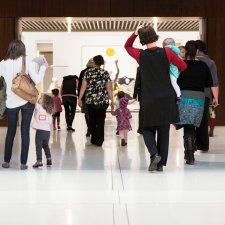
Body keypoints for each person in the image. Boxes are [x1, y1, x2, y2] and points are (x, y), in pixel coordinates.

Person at [125, 25, 187, 172]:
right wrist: (171, 71)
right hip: (166, 97)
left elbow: (127, 46)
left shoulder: (140, 55)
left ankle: (154, 155)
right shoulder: (167, 52)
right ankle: (160, 165)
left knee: (147, 128)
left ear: (142, 39)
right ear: (155, 35)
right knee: (164, 131)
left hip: (149, 98)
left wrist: (135, 33)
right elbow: (183, 66)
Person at [0, 40, 48, 170]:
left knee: (10, 131)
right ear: (22, 49)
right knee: (25, 131)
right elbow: (37, 80)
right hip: (27, 100)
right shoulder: (26, 60)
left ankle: (6, 161)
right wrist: (43, 67)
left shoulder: (2, 63)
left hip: (11, 102)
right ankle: (23, 163)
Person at [177, 40, 214, 164]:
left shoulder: (180, 65)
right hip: (199, 98)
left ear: (186, 51)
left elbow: (175, 81)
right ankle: (190, 153)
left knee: (187, 125)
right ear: (197, 50)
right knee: (193, 124)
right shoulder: (203, 66)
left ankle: (189, 153)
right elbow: (209, 83)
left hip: (183, 97)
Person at [78, 55, 114, 146]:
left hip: (90, 101)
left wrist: (79, 99)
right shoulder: (105, 73)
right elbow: (109, 88)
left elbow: (83, 87)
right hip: (102, 101)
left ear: (94, 62)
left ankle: (94, 139)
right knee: (101, 120)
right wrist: (112, 100)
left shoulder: (88, 72)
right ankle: (99, 141)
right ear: (102, 63)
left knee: (92, 120)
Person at [195, 40, 219, 146]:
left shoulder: (188, 60)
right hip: (206, 94)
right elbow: (214, 81)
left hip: (190, 93)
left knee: (191, 119)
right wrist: (216, 97)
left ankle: (190, 142)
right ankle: (203, 144)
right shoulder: (210, 62)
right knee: (204, 118)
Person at [32, 94, 53, 168]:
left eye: (41, 98)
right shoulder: (49, 112)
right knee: (46, 145)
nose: (39, 98)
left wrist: (36, 96)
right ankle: (49, 159)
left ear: (44, 102)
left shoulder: (39, 107)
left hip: (40, 131)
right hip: (47, 131)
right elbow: (50, 122)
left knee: (38, 147)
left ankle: (39, 161)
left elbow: (34, 103)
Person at [78, 58, 95, 137]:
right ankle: (92, 128)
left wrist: (79, 98)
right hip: (95, 96)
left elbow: (80, 86)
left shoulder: (83, 72)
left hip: (85, 96)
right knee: (94, 113)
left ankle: (89, 128)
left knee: (86, 113)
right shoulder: (96, 72)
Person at [133, 66, 143, 134]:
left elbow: (137, 81)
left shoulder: (140, 68)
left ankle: (141, 129)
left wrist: (134, 95)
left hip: (143, 93)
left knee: (142, 111)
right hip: (153, 93)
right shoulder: (155, 66)